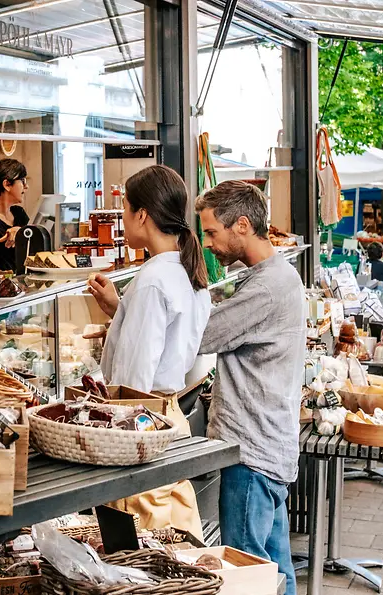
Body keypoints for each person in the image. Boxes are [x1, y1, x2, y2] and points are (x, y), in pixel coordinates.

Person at [88, 164, 212, 539]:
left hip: (141, 423)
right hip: (171, 414)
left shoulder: (152, 281)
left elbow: (133, 382)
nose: (124, 218)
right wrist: (120, 309)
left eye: (126, 209)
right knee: (176, 533)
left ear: (142, 214)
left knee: (141, 541)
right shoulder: (189, 272)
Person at [194, 180, 306, 595]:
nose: (208, 242)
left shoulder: (264, 288)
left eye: (211, 232)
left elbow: (202, 336)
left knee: (245, 575)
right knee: (275, 571)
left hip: (250, 451)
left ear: (242, 225)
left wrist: (125, 310)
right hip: (272, 446)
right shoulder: (275, 275)